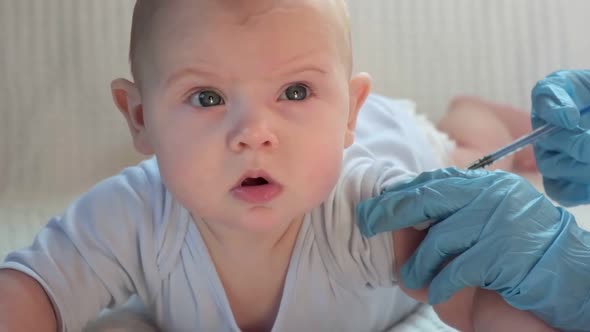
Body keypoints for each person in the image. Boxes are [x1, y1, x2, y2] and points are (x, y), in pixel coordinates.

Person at [0, 0, 549, 331]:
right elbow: (37, 287)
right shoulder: (134, 215)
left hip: (400, 142)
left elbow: (478, 299)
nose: (254, 134)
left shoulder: (376, 211)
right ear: (140, 117)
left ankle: (471, 114)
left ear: (348, 110)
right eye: (207, 97)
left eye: (294, 90)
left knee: (468, 158)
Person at [357, 69, 590, 331]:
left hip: (395, 140)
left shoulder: (352, 201)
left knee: (476, 158)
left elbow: (476, 300)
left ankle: (478, 112)